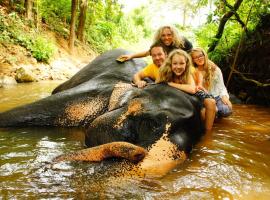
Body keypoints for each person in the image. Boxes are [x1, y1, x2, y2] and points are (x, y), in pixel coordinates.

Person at [158, 49, 216, 130]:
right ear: (170, 63)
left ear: (186, 64)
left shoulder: (187, 73)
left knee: (211, 102)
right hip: (180, 97)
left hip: (193, 94)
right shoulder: (164, 72)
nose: (178, 67)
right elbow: (157, 85)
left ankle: (208, 132)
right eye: (175, 63)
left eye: (182, 63)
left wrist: (171, 84)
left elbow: (192, 89)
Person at [190, 47, 232, 118]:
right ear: (193, 60)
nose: (199, 58)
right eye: (196, 57)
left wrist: (224, 96)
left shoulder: (215, 68)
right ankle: (211, 115)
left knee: (226, 111)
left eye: (200, 55)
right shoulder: (193, 71)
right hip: (203, 97)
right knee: (205, 112)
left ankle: (216, 115)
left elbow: (221, 86)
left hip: (216, 96)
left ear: (204, 55)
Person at [118, 25, 192, 62]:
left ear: (174, 34)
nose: (166, 38)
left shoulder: (183, 41)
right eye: (163, 35)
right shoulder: (159, 44)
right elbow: (147, 53)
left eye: (169, 35)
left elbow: (192, 56)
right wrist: (131, 56)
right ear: (160, 36)